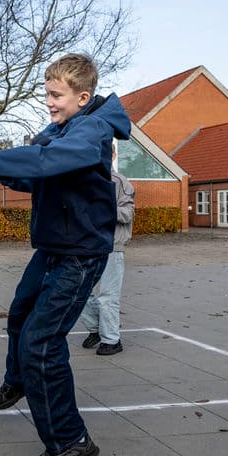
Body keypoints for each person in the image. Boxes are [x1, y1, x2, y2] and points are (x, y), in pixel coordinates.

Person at [0, 53, 130, 456]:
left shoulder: (93, 130)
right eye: (46, 93)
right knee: (20, 315)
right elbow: (42, 173)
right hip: (53, 247)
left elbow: (50, 161)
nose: (48, 101)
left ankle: (72, 441)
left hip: (80, 254)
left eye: (56, 95)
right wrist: (3, 177)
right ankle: (19, 380)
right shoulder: (61, 129)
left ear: (82, 97)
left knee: (42, 343)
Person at [79, 145, 135, 355]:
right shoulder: (85, 182)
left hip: (112, 246)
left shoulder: (120, 182)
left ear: (113, 155)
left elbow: (127, 213)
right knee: (78, 291)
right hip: (87, 247)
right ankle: (96, 328)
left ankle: (111, 340)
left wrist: (104, 209)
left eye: (105, 152)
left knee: (107, 296)